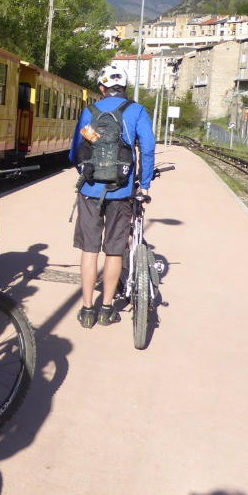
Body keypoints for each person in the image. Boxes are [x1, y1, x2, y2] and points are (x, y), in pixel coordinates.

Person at [69, 64, 156, 328]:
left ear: (102, 88)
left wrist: (86, 171)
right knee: (115, 250)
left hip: (90, 190)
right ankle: (107, 309)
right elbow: (149, 148)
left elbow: (76, 151)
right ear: (125, 88)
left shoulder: (90, 112)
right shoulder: (136, 111)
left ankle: (86, 311)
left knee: (89, 249)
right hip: (122, 190)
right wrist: (145, 184)